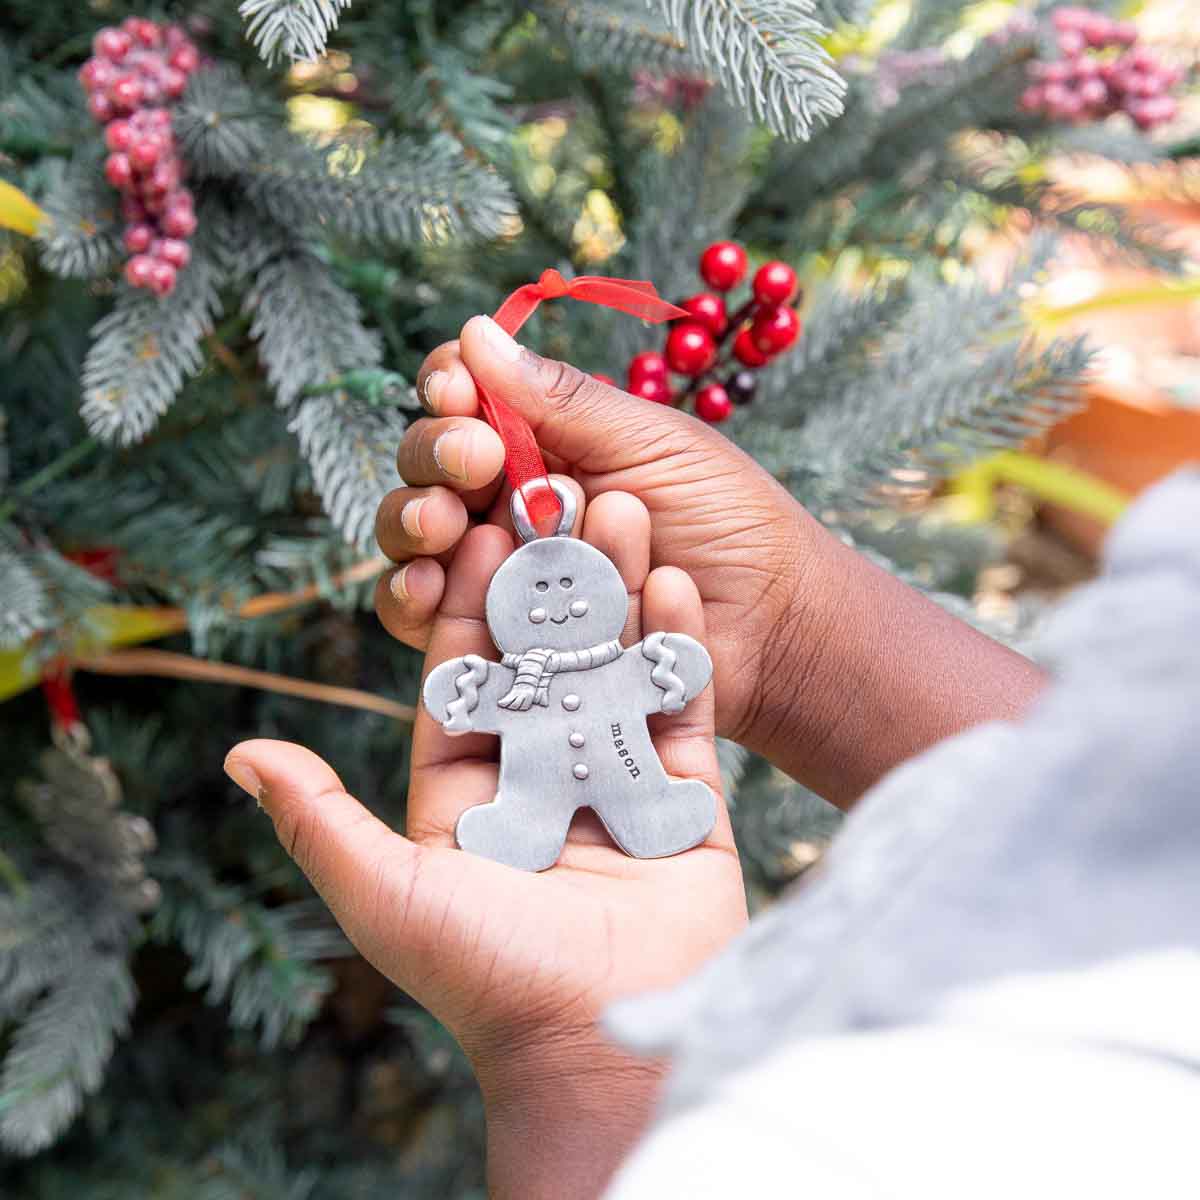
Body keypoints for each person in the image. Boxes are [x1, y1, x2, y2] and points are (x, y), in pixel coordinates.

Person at [224, 316, 1200, 1198]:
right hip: (532, 767)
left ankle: (641, 819)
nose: (561, 605)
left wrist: (580, 1058)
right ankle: (537, 824)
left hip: (627, 763)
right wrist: (787, 635)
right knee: (525, 800)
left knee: (639, 784)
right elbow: (1143, 796)